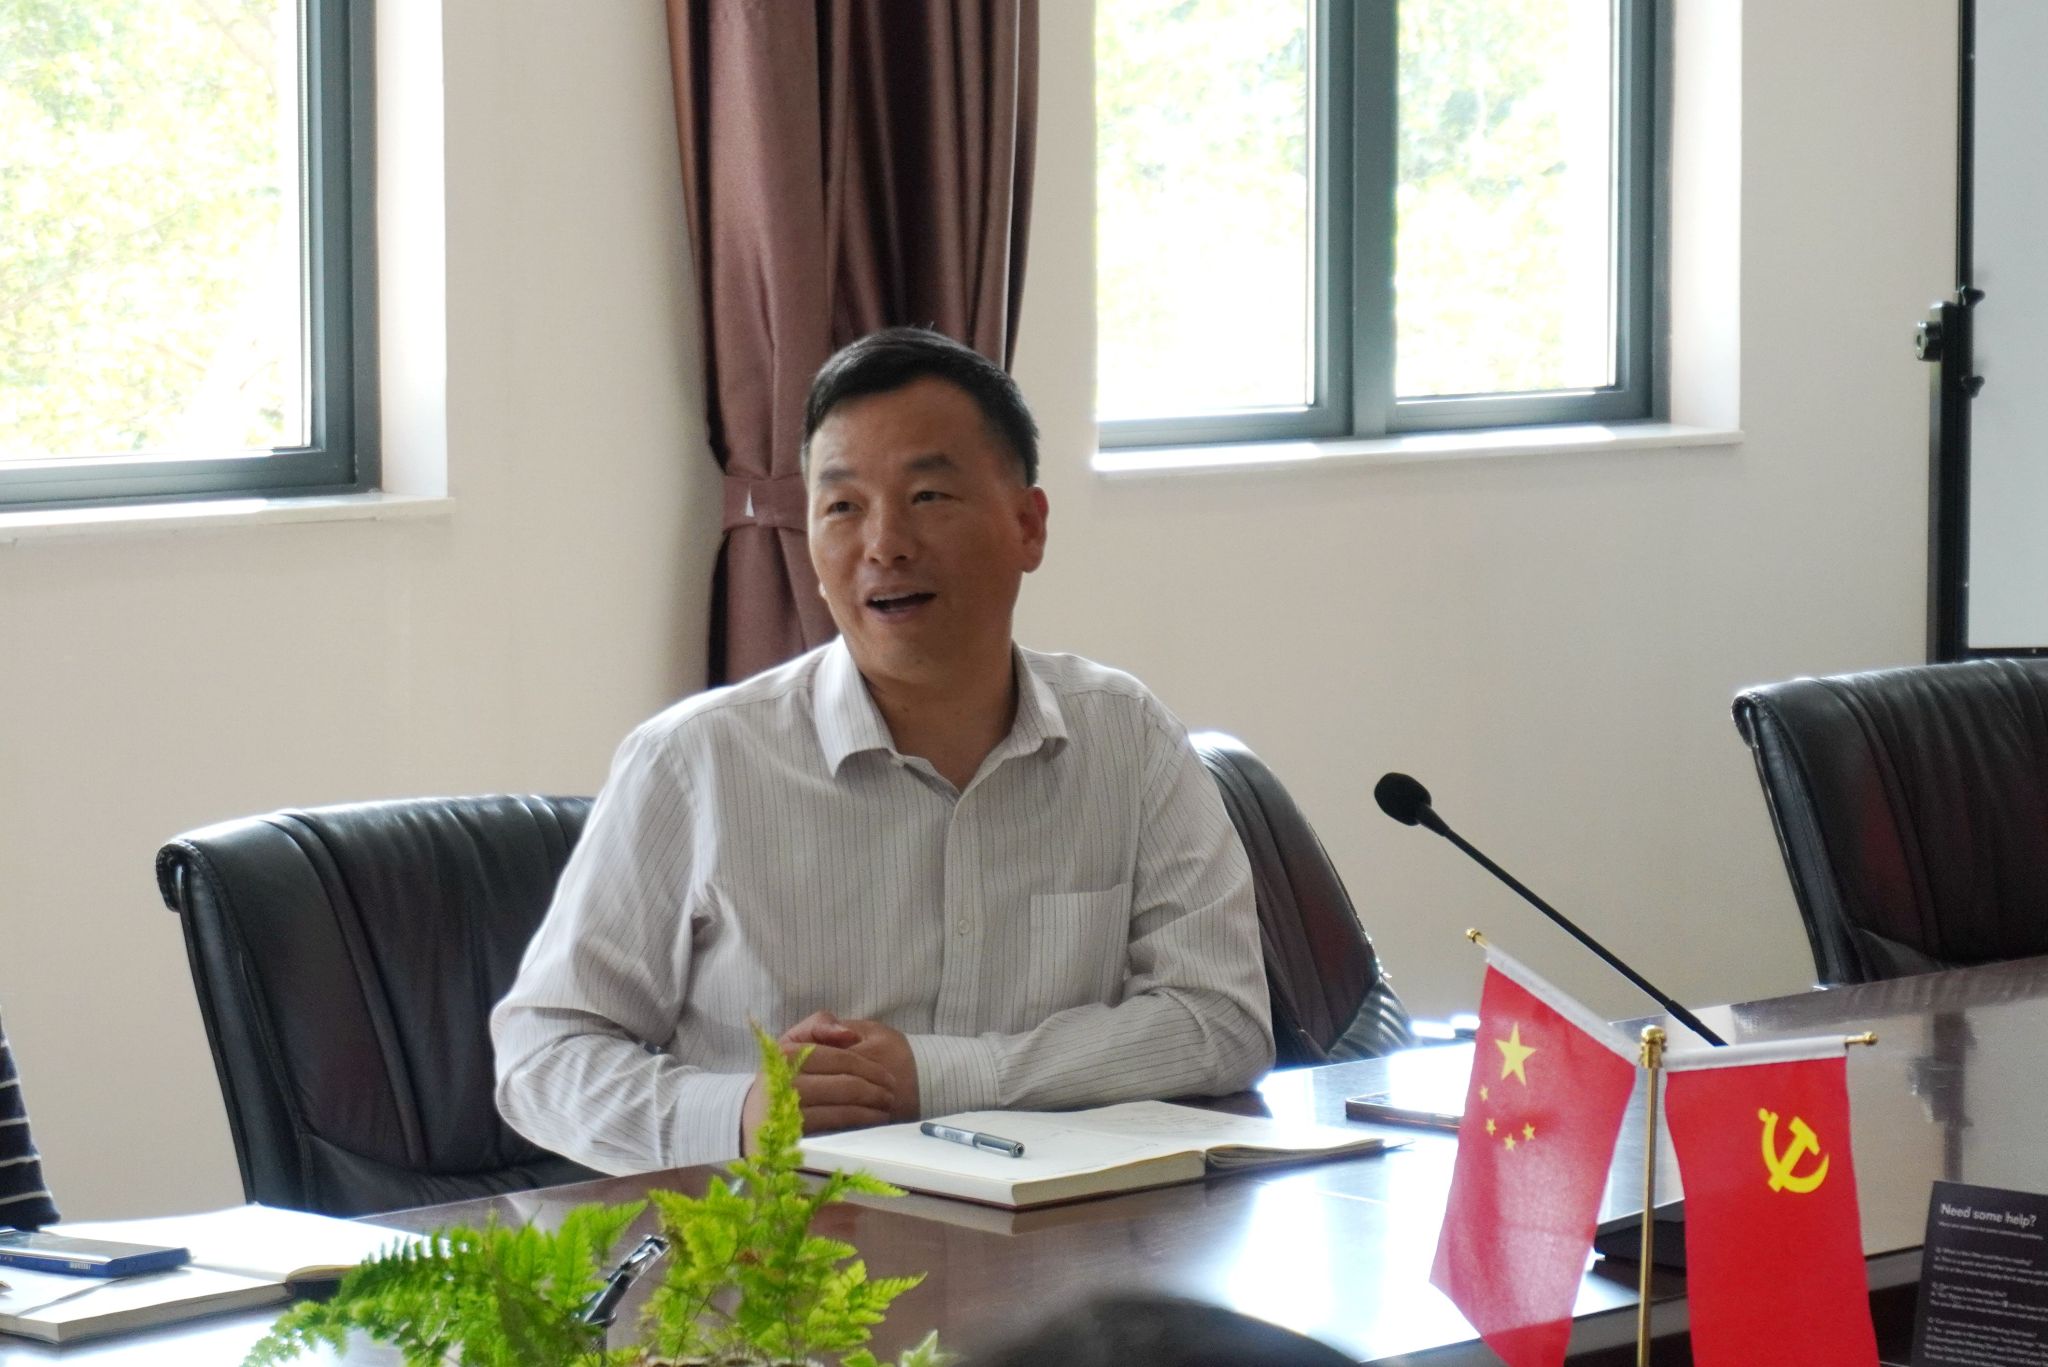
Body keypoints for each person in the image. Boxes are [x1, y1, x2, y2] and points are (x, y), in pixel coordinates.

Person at [492, 327, 1273, 1172]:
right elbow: (542, 1056)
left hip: (1066, 1235)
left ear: (1028, 526)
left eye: (928, 496)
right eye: (842, 507)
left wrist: (935, 1076)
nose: (885, 543)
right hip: (787, 1240)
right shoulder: (693, 763)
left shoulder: (1126, 736)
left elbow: (1222, 1020)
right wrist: (739, 1113)